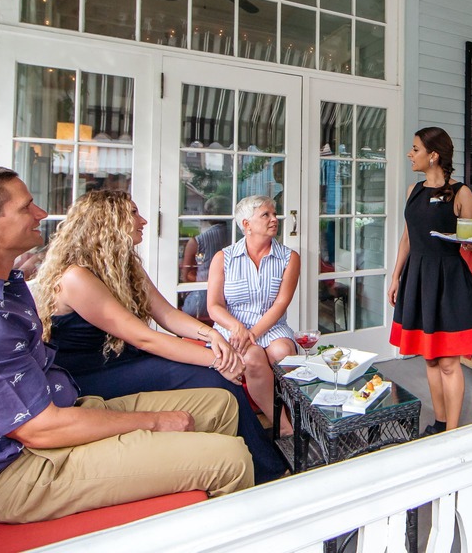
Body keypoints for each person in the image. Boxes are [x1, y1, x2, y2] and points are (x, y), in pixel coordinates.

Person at [0, 166, 252, 525]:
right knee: (229, 458)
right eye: (25, 207)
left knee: (218, 404)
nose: (41, 213)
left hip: (59, 412)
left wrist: (212, 341)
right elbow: (41, 431)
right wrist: (157, 421)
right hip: (17, 469)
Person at [38, 190, 286, 482]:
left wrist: (212, 336)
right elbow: (145, 338)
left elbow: (166, 315)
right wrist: (219, 360)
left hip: (121, 358)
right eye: (133, 213)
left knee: (216, 377)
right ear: (108, 221)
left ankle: (253, 460)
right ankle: (265, 471)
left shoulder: (125, 265)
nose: (143, 220)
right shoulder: (76, 277)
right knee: (217, 378)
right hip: (88, 373)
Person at [388, 127, 472, 434]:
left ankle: (452, 433)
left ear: (433, 155)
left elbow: (468, 242)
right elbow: (407, 238)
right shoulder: (413, 190)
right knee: (430, 359)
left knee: (447, 362)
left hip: (449, 281)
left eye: (415, 149)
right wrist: (396, 277)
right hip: (417, 277)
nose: (410, 154)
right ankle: (440, 422)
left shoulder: (462, 194)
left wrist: (470, 241)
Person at [206, 195, 301, 435]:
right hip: (233, 328)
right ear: (246, 224)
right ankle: (283, 427)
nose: (274, 219)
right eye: (266, 215)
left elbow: (280, 304)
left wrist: (253, 333)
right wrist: (237, 328)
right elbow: (214, 306)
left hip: (271, 326)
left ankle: (300, 415)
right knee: (252, 357)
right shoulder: (223, 258)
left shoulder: (289, 258)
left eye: (274, 214)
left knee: (283, 353)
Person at [180, 195, 233, 318]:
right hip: (230, 302)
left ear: (208, 214)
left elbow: (185, 276)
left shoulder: (197, 241)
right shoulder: (238, 237)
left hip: (200, 303)